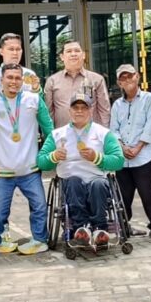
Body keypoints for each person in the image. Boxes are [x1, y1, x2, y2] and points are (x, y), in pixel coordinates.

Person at [0, 63, 54, 254]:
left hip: (30, 168)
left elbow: (49, 129)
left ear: (22, 80)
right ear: (1, 80)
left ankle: (39, 240)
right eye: (9, 77)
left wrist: (46, 153)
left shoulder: (34, 100)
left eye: (18, 78)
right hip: (1, 169)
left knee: (39, 206)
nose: (14, 81)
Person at [37, 93, 124, 247]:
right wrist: (54, 156)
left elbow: (119, 160)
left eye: (84, 108)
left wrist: (97, 157)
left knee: (98, 184)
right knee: (73, 182)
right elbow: (41, 162)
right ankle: (81, 227)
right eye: (75, 107)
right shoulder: (57, 134)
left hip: (96, 177)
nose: (79, 111)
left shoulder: (103, 133)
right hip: (70, 179)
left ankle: (100, 228)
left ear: (90, 110)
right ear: (69, 111)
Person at [110, 64, 151, 237]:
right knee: (123, 195)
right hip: (123, 158)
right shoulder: (117, 105)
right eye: (123, 78)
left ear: (137, 76)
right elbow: (113, 129)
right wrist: (122, 147)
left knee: (148, 193)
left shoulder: (149, 99)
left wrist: (138, 147)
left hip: (144, 157)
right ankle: (124, 226)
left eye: (130, 76)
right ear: (119, 83)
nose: (127, 80)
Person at [44, 40, 111, 128]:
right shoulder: (52, 81)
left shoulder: (97, 79)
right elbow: (48, 113)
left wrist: (104, 133)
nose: (73, 54)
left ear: (83, 55)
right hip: (63, 135)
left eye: (77, 51)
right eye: (69, 51)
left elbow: (104, 111)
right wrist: (51, 134)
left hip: (91, 134)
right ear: (62, 57)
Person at [0, 33, 41, 105]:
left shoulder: (30, 74)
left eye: (18, 49)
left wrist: (36, 89)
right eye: (11, 49)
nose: (15, 53)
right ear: (1, 51)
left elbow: (39, 104)